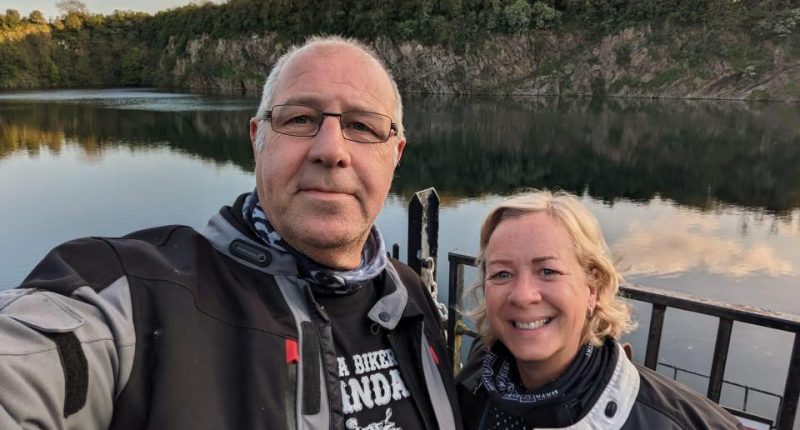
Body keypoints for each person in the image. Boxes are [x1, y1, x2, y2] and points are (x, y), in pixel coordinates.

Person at [0, 35, 460, 430]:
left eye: (362, 126)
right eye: (300, 118)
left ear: (395, 154)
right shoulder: (141, 296)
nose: (330, 150)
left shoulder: (409, 298)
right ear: (257, 139)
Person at [456, 190, 743, 429]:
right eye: (502, 274)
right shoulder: (479, 376)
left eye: (548, 271)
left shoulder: (672, 421)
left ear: (592, 287)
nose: (523, 296)